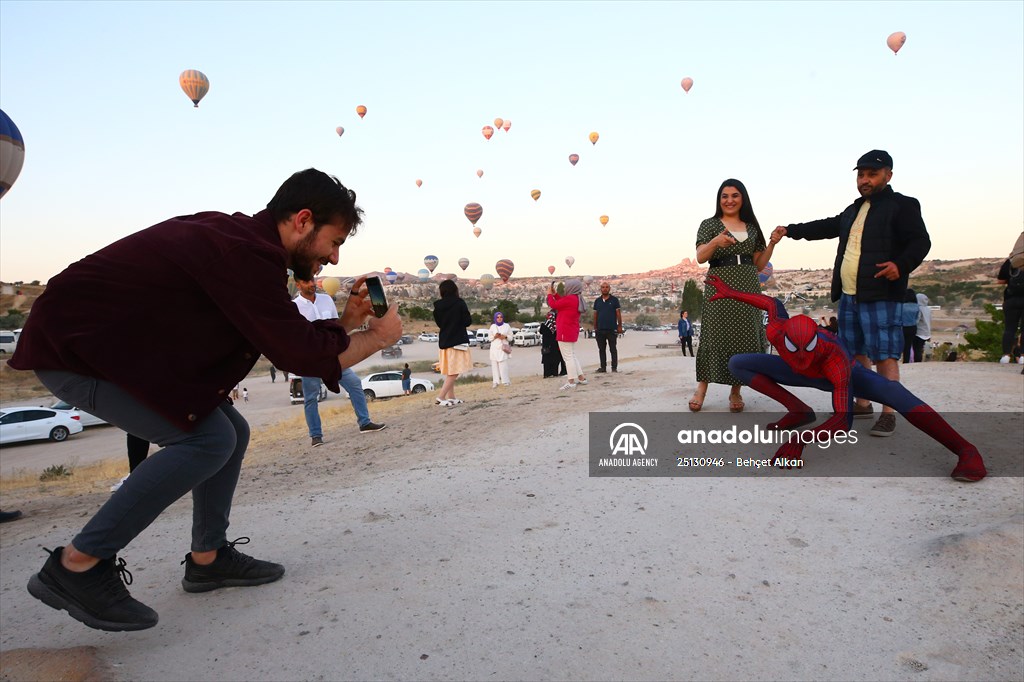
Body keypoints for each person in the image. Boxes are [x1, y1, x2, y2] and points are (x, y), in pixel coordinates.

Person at [9, 168, 402, 632]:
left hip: (118, 349)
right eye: (333, 242)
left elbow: (292, 339)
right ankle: (77, 564)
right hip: (77, 352)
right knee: (208, 440)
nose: (334, 258)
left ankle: (208, 557)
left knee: (231, 431)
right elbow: (302, 356)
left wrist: (343, 321)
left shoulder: (243, 245)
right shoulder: (245, 255)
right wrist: (376, 339)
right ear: (302, 221)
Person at [706, 274, 986, 482]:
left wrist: (801, 440)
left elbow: (843, 420)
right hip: (798, 371)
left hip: (837, 376)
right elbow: (770, 302)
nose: (802, 354)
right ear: (783, 338)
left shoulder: (834, 356)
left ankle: (965, 449)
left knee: (895, 394)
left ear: (818, 340)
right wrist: (730, 292)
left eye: (808, 349)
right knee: (738, 363)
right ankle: (799, 410)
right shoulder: (776, 330)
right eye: (794, 349)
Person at [772, 150, 930, 437]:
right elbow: (826, 226)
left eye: (872, 174)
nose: (865, 180)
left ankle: (889, 413)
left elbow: (921, 241)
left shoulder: (902, 205)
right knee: (854, 351)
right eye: (861, 174)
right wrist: (791, 230)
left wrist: (901, 265)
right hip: (849, 294)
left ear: (888, 176)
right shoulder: (853, 210)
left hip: (881, 293)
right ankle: (863, 403)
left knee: (884, 354)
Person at [692, 179, 776, 413]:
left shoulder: (751, 227)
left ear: (743, 199)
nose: (729, 200)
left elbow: (759, 265)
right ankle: (702, 388)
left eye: (734, 195)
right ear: (719, 200)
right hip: (719, 282)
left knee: (744, 334)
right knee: (713, 333)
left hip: (747, 283)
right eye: (724, 196)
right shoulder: (709, 225)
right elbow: (700, 256)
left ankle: (736, 390)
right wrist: (716, 241)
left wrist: (771, 244)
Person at [293, 274, 386, 443]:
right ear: (297, 285)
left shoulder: (326, 300)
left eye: (313, 280)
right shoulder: (293, 306)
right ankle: (316, 435)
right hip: (310, 360)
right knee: (311, 397)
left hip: (333, 356)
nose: (312, 284)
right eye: (307, 281)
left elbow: (337, 326)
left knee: (355, 384)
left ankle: (364, 422)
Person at [432, 279, 472, 406]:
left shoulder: (437, 306)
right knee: (454, 372)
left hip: (444, 341)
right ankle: (440, 397)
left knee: (450, 371)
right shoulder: (460, 303)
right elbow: (467, 321)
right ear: (455, 290)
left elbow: (439, 324)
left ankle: (451, 397)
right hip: (457, 341)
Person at [547, 280, 588, 390]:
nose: (565, 289)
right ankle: (581, 377)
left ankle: (571, 381)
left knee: (568, 357)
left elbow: (554, 305)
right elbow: (562, 303)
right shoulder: (575, 299)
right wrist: (555, 294)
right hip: (571, 330)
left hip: (565, 331)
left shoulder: (570, 299)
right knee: (572, 355)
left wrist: (549, 295)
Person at [996, 255, 1024, 364]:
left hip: (1011, 299)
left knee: (1009, 329)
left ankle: (1006, 356)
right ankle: (1022, 356)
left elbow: (1000, 281)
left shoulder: (1011, 261)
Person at [592, 282, 623, 372]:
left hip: (611, 329)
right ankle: (603, 367)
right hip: (600, 329)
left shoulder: (614, 300)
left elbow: (618, 314)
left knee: (613, 349)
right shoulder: (597, 301)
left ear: (609, 289)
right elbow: (595, 314)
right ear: (600, 289)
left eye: (606, 287)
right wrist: (595, 327)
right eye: (603, 287)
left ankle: (614, 368)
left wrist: (619, 326)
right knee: (601, 349)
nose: (605, 289)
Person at [488, 311, 513, 387]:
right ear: (495, 318)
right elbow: (489, 338)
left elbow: (511, 337)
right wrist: (495, 336)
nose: (499, 318)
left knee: (504, 366)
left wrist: (505, 337)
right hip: (494, 348)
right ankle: (495, 382)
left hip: (503, 348)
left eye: (501, 317)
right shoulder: (492, 326)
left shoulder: (507, 326)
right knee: (494, 366)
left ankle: (505, 381)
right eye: (498, 317)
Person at [539, 310, 566, 378]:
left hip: (546, 346)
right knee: (555, 360)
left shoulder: (544, 325)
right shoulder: (557, 325)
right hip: (555, 345)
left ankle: (547, 374)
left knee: (546, 361)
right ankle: (554, 373)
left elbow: (541, 332)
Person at [900, 288, 920, 363]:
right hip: (913, 327)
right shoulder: (916, 306)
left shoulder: (902, 306)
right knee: (908, 345)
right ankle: (906, 360)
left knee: (901, 344)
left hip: (903, 327)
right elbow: (917, 318)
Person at [913, 293, 932, 364]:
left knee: (917, 349)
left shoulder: (918, 308)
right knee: (921, 349)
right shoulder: (928, 309)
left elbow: (917, 320)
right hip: (927, 332)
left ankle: (917, 362)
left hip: (919, 332)